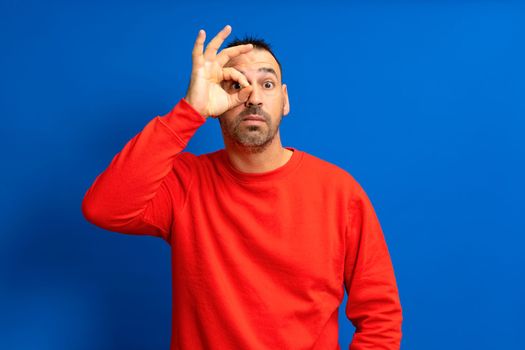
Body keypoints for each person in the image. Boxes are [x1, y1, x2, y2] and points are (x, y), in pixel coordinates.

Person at [82, 24, 403, 350]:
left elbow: (380, 316)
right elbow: (104, 208)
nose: (253, 97)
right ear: (216, 101)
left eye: (267, 83)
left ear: (285, 100)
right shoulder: (185, 183)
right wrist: (189, 111)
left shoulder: (339, 192)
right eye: (236, 84)